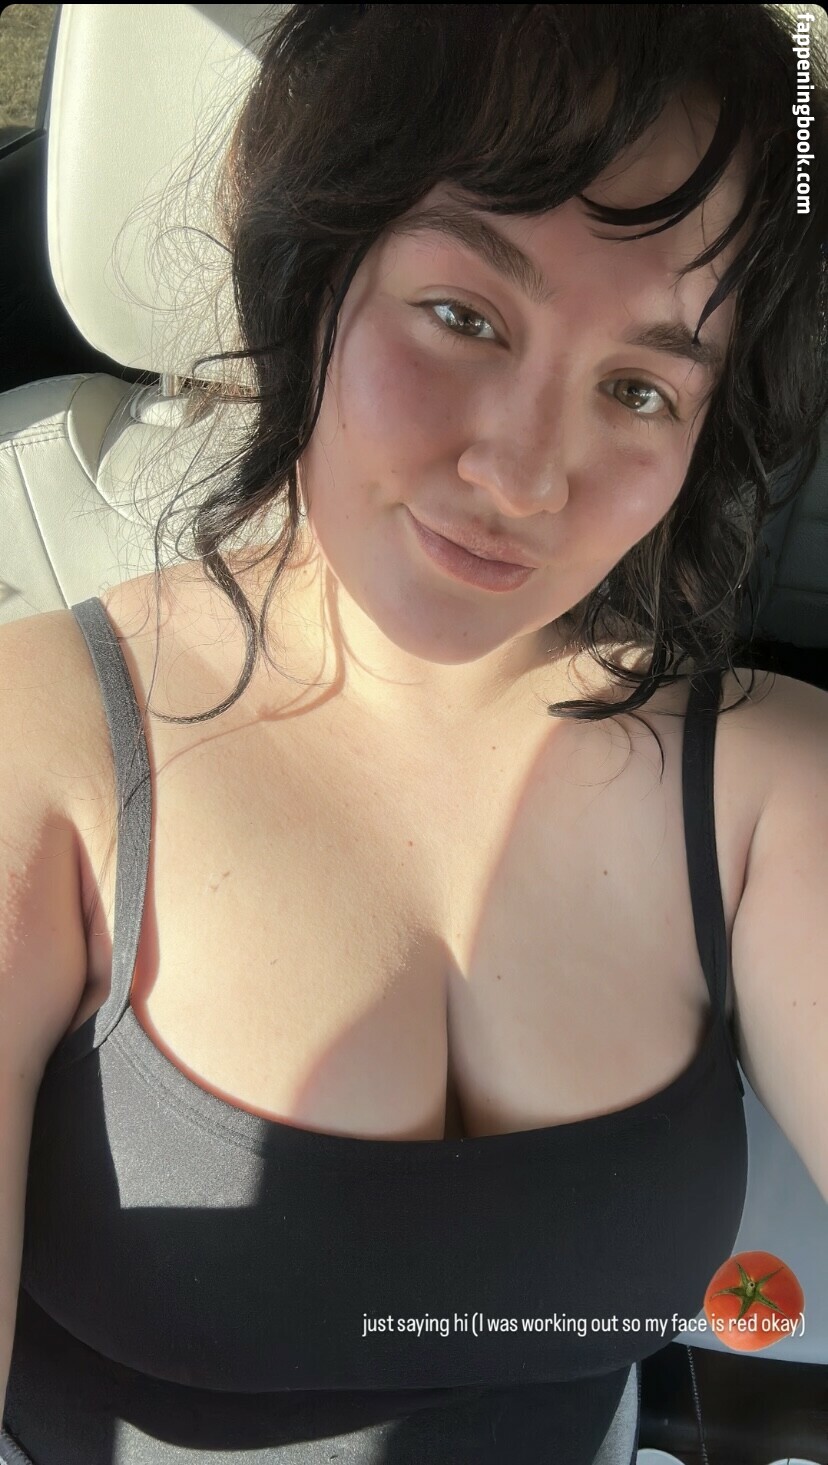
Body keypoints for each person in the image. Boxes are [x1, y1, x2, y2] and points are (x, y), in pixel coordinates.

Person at [2, 5, 827, 1462]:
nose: (525, 475)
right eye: (465, 317)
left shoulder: (772, 789)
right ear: (316, 263)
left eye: (639, 389)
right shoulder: (43, 741)